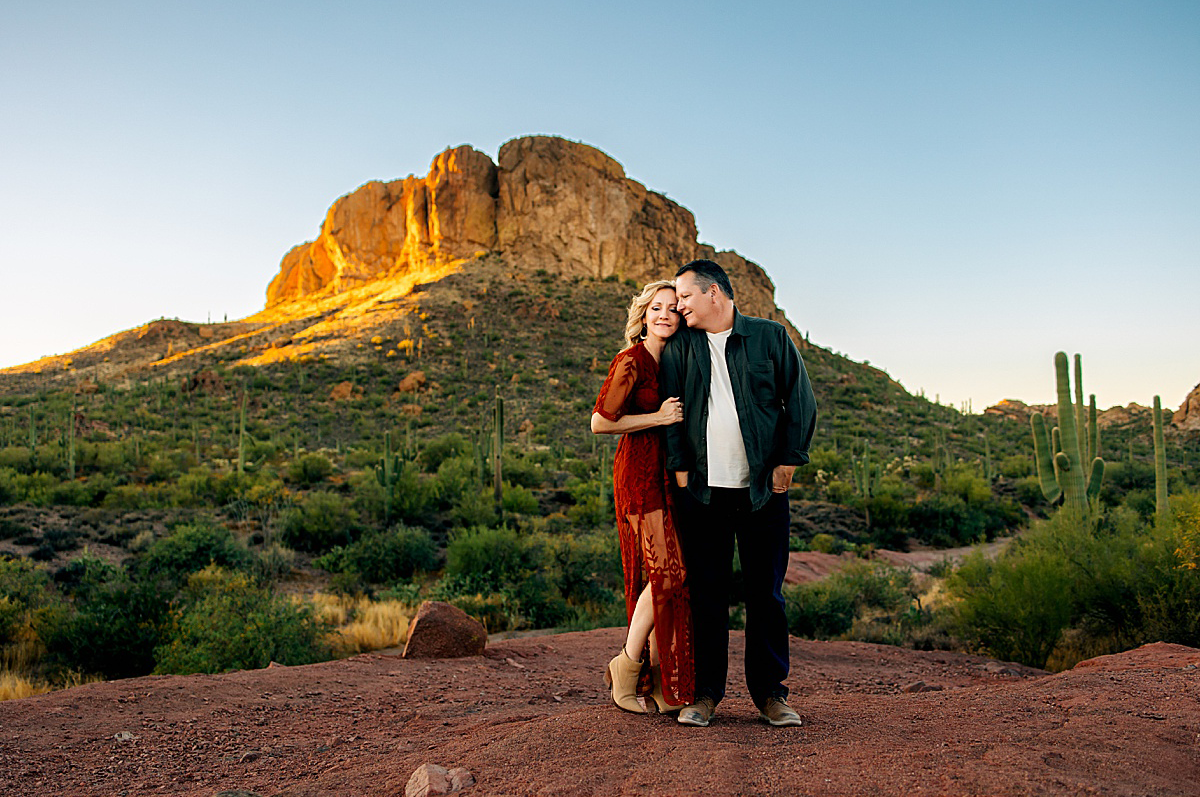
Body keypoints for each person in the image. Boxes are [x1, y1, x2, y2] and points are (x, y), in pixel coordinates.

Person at [660, 259, 817, 728]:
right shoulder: (681, 347)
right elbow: (672, 412)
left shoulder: (769, 337)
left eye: (685, 296)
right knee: (706, 594)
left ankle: (771, 695)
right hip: (704, 494)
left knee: (765, 595)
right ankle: (705, 694)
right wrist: (682, 473)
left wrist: (788, 461)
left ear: (714, 293)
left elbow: (801, 399)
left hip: (762, 492)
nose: (680, 305)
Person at [591, 279, 695, 714]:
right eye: (657, 308)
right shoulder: (630, 361)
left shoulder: (668, 360)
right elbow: (599, 422)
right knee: (668, 573)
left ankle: (656, 684)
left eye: (673, 308)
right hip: (637, 476)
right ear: (643, 315)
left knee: (660, 575)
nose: (665, 315)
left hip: (664, 476)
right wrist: (658, 417)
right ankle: (627, 666)